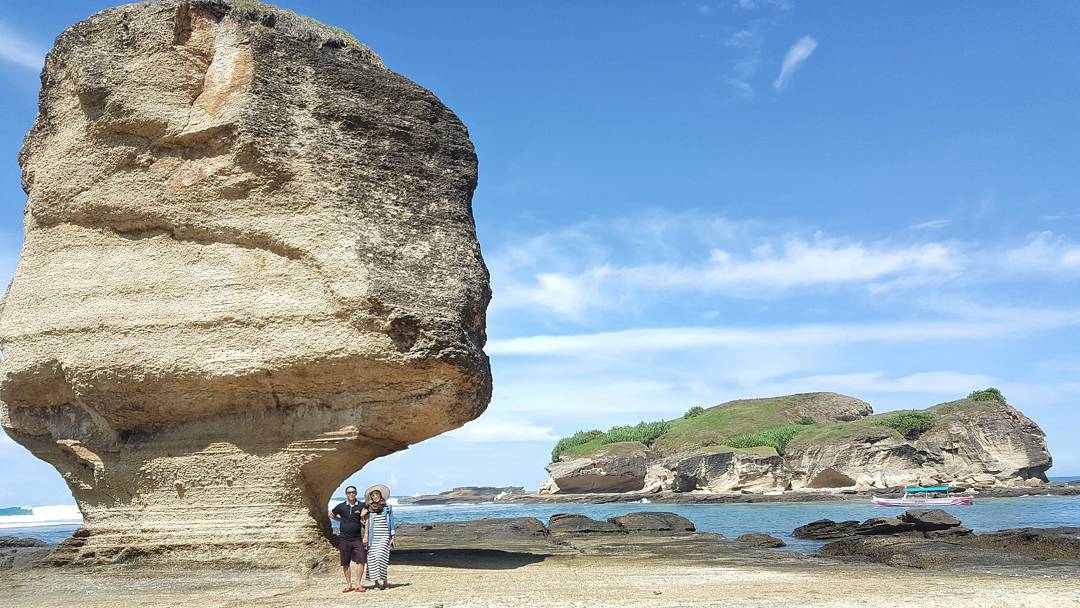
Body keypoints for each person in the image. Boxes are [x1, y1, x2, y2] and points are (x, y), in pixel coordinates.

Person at [329, 485, 367, 593]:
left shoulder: (361, 505)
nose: (351, 494)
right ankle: (349, 584)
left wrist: (364, 516)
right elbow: (331, 514)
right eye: (349, 492)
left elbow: (369, 513)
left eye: (353, 492)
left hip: (357, 539)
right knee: (345, 562)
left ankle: (358, 584)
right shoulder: (341, 506)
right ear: (346, 494)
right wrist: (340, 520)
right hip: (344, 539)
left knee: (361, 560)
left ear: (356, 493)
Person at [361, 484, 395, 590]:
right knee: (372, 559)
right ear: (371, 497)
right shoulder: (368, 508)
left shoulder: (387, 506)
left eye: (377, 494)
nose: (375, 496)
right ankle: (376, 583)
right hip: (373, 537)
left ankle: (385, 581)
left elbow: (391, 521)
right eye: (373, 495)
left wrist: (392, 536)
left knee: (382, 558)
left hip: (384, 535)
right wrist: (362, 516)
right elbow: (364, 523)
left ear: (380, 495)